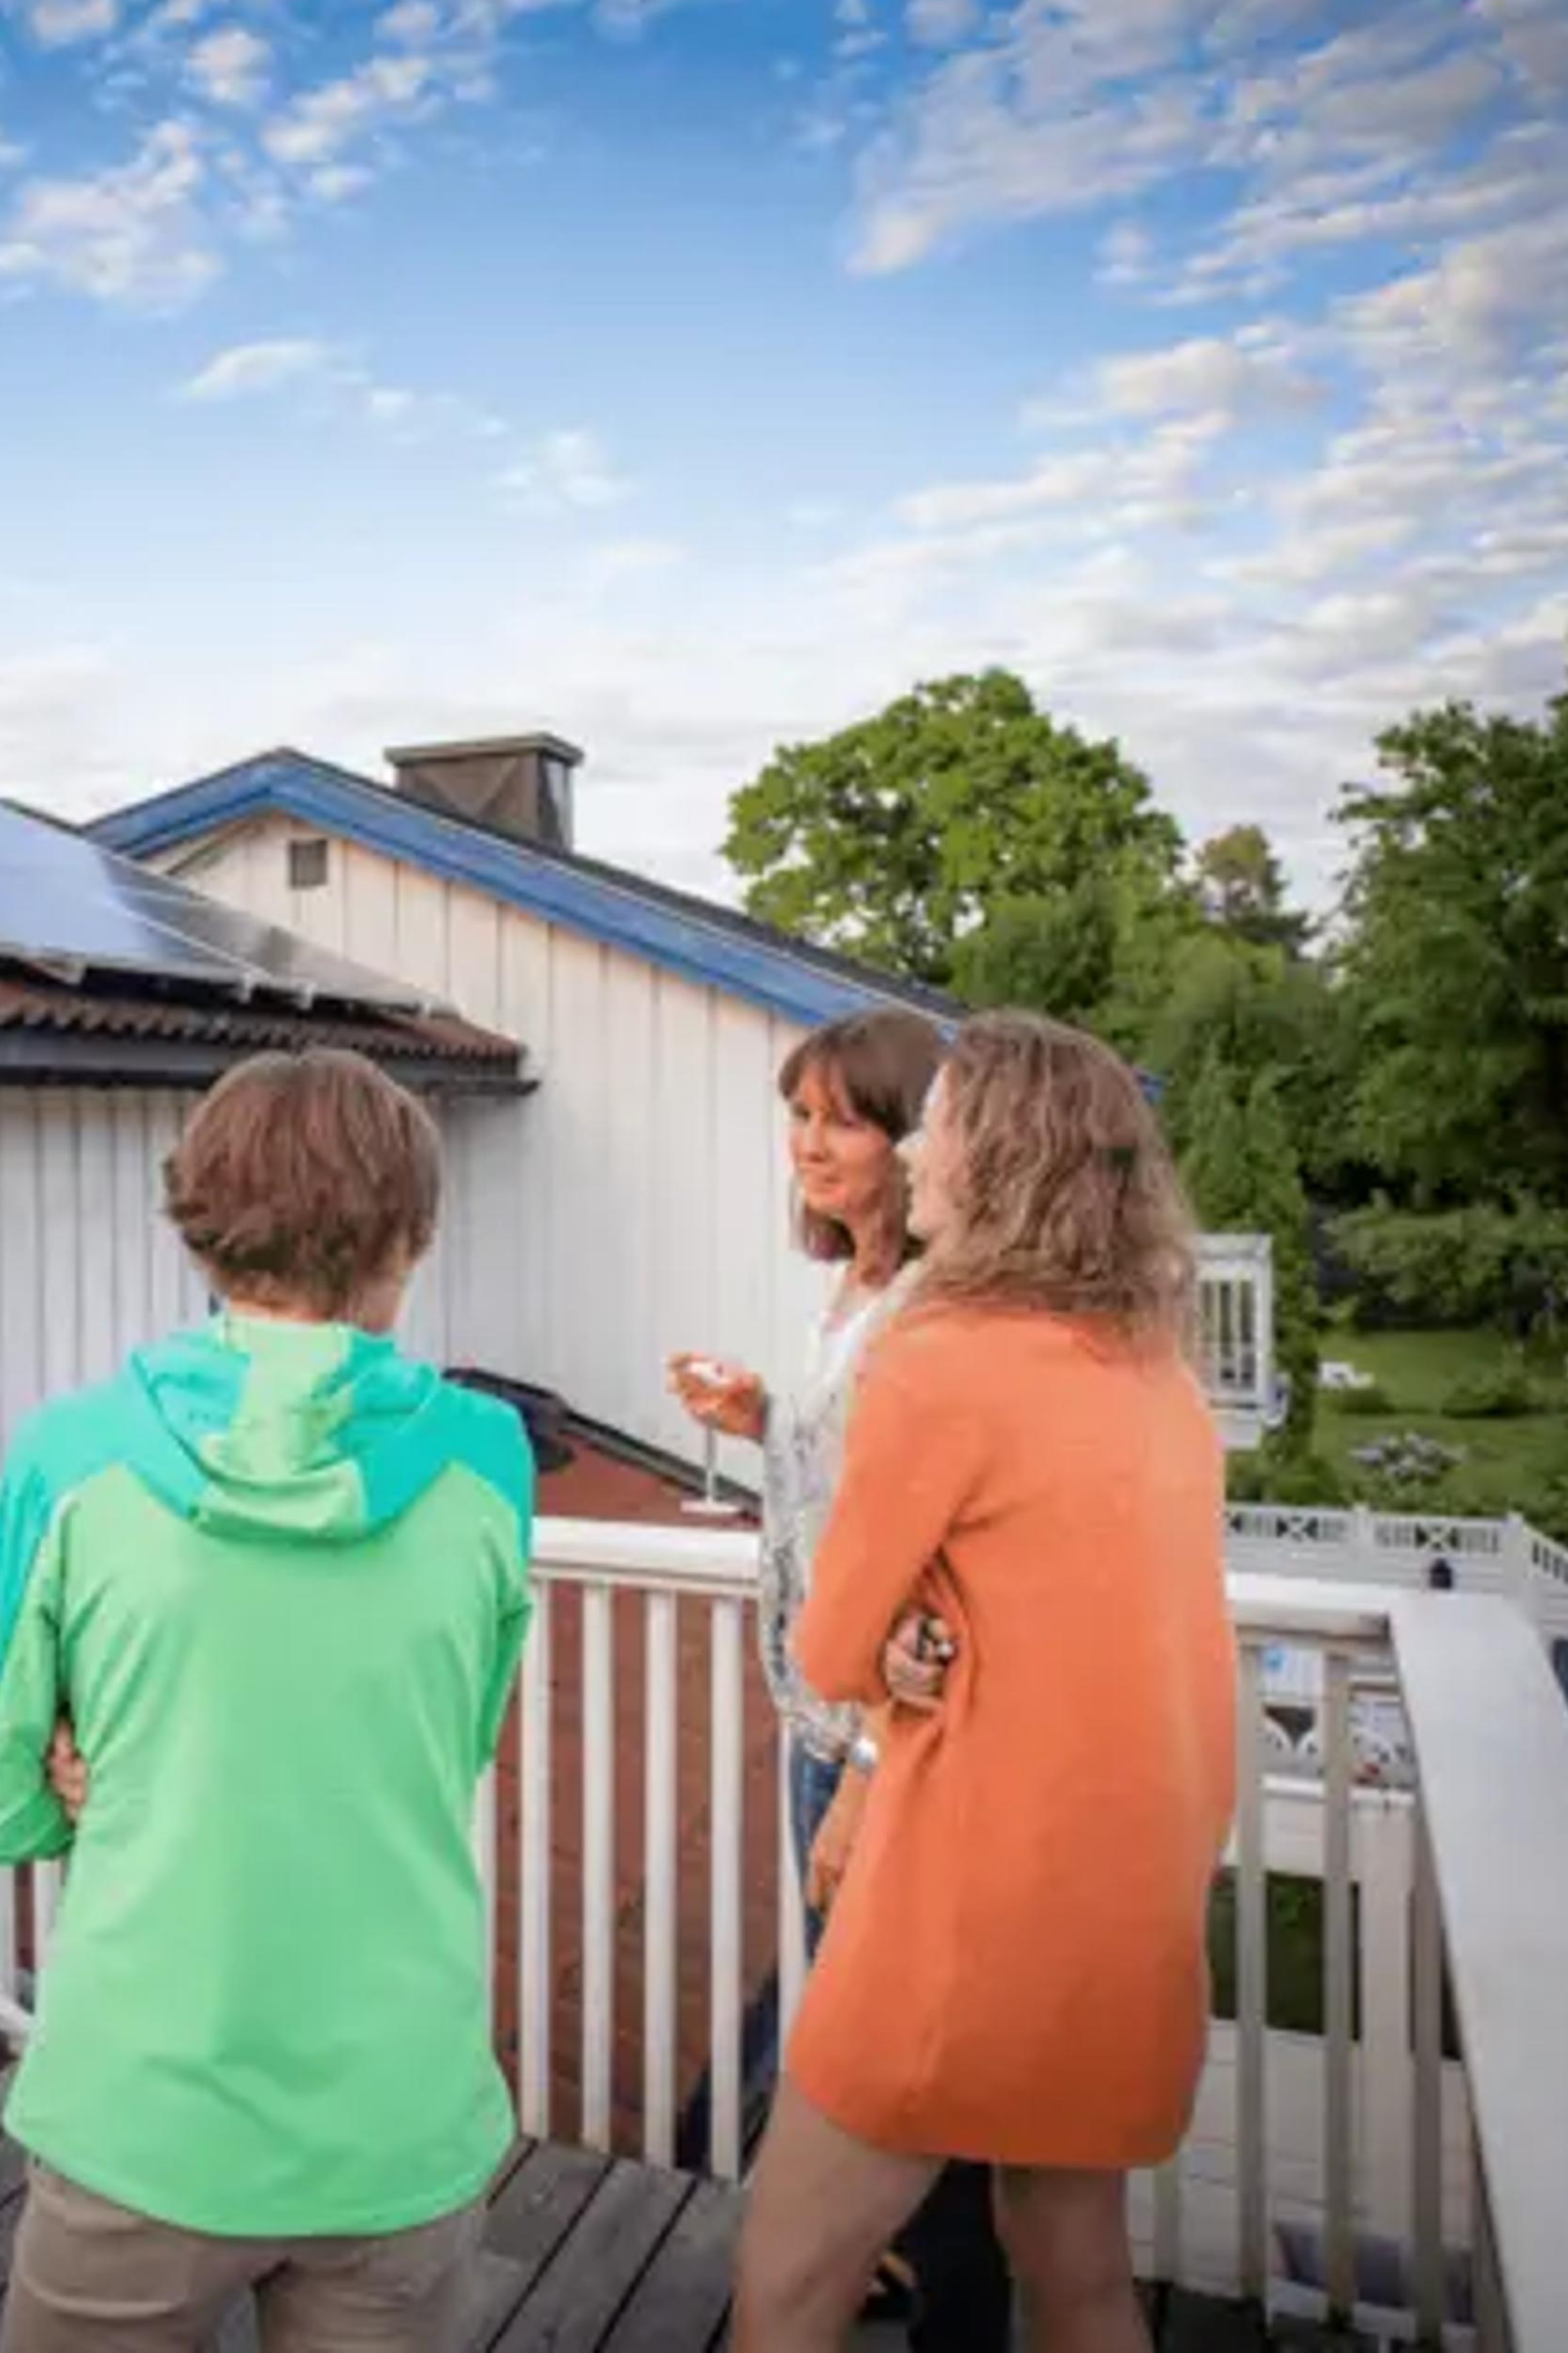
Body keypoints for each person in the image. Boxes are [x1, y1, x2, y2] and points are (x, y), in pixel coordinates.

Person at [0, 1049, 531, 2353]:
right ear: (413, 1233)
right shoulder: (489, 1461)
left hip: (143, 2111)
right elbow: (457, 1732)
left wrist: (86, 1767)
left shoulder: (73, 1453)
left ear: (199, 1224)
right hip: (398, 2109)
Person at [735, 1013, 1236, 2353]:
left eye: (938, 1122)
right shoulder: (1156, 1374)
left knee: (784, 2284)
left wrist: (890, 1650)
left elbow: (829, 1653)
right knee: (1075, 2274)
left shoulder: (938, 1359)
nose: (918, 1150)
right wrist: (923, 1641)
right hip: (1128, 1906)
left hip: (967, 1910)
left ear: (997, 1159)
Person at [667, 1006, 1011, 2352]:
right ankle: (873, 2256)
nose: (809, 1142)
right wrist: (765, 1418)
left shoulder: (934, 1307)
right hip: (824, 1714)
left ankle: (946, 2306)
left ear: (917, 1138)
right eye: (798, 1115)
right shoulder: (860, 1288)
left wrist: (870, 1761)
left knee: (904, 2048)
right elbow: (852, 1492)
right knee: (859, 2027)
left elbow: (934, 1561)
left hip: (889, 1739)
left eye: (844, 1119)